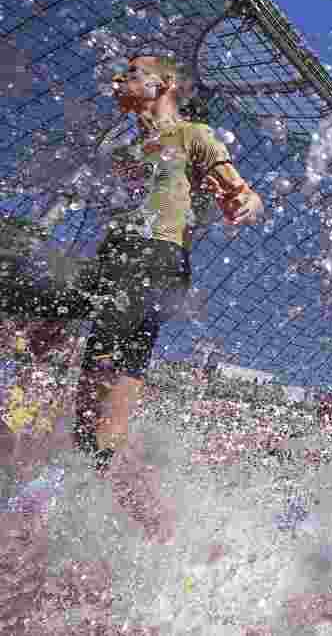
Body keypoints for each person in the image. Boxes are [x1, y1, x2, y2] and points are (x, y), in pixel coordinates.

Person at [0, 54, 264, 540]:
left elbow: (247, 193)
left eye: (133, 71)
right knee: (100, 370)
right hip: (117, 258)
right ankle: (89, 479)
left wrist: (241, 202)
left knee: (106, 359)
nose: (119, 79)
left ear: (164, 83)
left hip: (157, 258)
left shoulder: (194, 135)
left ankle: (82, 483)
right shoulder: (129, 148)